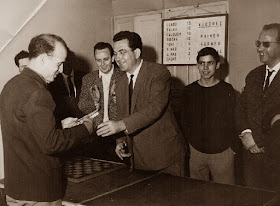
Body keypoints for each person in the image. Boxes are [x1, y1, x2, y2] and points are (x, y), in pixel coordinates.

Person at [0, 34, 95, 206]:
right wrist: (86, 128)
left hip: (15, 190)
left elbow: (24, 129)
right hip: (40, 193)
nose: (60, 70)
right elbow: (52, 143)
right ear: (43, 59)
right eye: (58, 64)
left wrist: (59, 125)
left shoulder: (10, 86)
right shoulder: (38, 92)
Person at [97, 31, 186, 177]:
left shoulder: (158, 73)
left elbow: (155, 108)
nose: (117, 58)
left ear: (137, 52)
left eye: (122, 52)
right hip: (137, 158)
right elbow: (122, 113)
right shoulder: (119, 82)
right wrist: (120, 141)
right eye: (115, 53)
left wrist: (120, 125)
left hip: (166, 156)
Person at [180, 47, 236, 184]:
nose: (205, 68)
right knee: (197, 194)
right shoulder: (189, 91)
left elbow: (234, 121)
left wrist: (232, 149)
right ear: (197, 65)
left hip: (222, 153)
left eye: (210, 63)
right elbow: (183, 121)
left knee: (225, 195)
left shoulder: (227, 90)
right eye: (201, 63)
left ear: (217, 65)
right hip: (196, 153)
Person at [236, 23, 280, 189]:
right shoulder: (253, 75)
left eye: (266, 44)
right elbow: (241, 109)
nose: (259, 48)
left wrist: (259, 142)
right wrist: (246, 133)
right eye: (258, 43)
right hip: (252, 158)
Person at [78, 42, 123, 161]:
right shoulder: (88, 79)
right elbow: (82, 106)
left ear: (113, 58)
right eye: (98, 60)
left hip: (119, 132)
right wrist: (95, 102)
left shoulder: (124, 76)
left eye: (106, 59)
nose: (102, 64)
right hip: (96, 133)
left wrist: (115, 98)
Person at [49, 49, 85, 126]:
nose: (64, 65)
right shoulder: (52, 82)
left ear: (72, 61)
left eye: (67, 61)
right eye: (61, 62)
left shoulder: (84, 77)